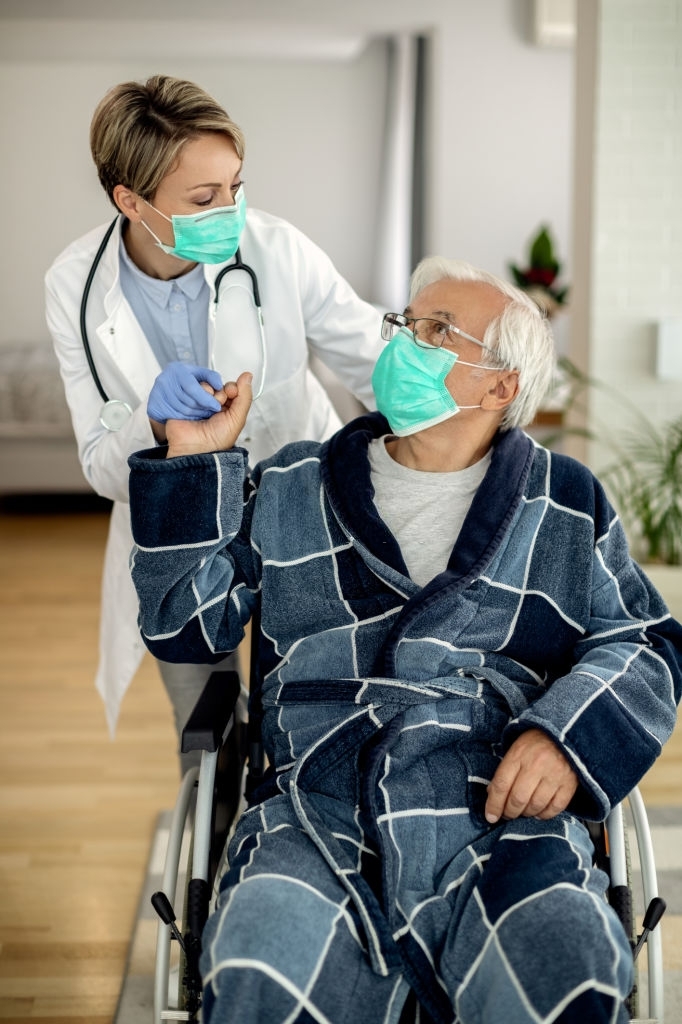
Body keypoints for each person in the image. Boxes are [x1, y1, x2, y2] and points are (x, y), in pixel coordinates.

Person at [127, 256, 682, 1023]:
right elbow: (184, 626)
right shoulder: (294, 484)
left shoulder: (566, 501)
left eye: (434, 331)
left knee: (570, 968)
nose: (401, 344)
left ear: (500, 386)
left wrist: (564, 739)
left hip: (498, 807)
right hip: (317, 805)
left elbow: (644, 643)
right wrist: (190, 460)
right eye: (404, 324)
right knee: (259, 965)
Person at [44, 74, 384, 758]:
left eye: (235, 186)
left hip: (303, 519)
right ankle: (217, 842)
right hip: (179, 534)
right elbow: (100, 468)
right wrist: (151, 422)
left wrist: (443, 404)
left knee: (313, 721)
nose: (231, 210)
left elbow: (374, 360)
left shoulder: (277, 250)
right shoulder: (72, 287)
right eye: (204, 198)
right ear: (130, 200)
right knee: (207, 736)